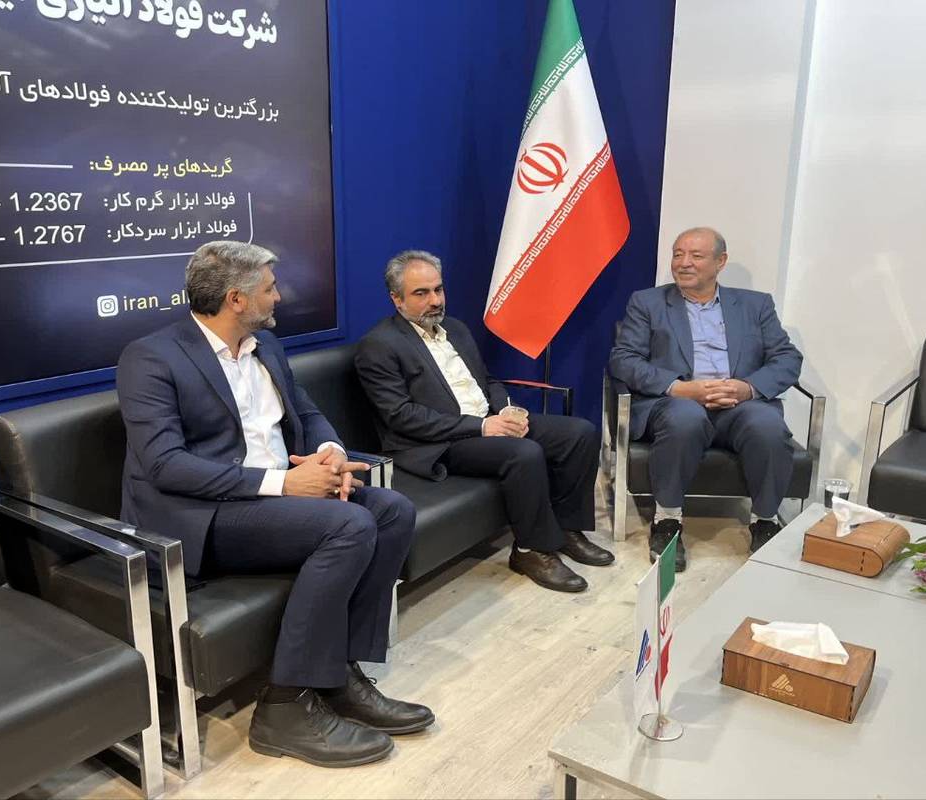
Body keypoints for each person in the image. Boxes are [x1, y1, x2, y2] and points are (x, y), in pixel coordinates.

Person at [116, 241, 432, 768]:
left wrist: (331, 453)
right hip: (202, 517)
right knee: (349, 526)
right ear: (236, 299)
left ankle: (339, 675)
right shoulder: (151, 357)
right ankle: (284, 706)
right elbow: (165, 465)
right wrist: (283, 484)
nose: (279, 297)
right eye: (270, 288)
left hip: (276, 498)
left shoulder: (266, 346)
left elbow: (306, 413)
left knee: (393, 510)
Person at [354, 249, 612, 594]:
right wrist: (481, 427)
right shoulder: (379, 345)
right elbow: (401, 417)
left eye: (438, 289)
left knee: (579, 433)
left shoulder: (456, 329)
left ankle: (566, 529)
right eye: (421, 293)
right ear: (396, 299)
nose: (435, 300)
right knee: (523, 453)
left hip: (488, 423)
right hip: (438, 444)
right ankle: (531, 551)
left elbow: (487, 380)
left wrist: (506, 411)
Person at [608, 227, 802, 571]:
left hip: (739, 404)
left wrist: (747, 388)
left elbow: (787, 358)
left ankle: (765, 521)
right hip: (676, 403)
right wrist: (678, 388)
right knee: (686, 417)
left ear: (720, 262)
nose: (683, 263)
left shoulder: (755, 305)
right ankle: (667, 520)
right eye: (677, 254)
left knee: (767, 424)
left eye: (696, 256)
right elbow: (623, 359)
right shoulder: (648, 302)